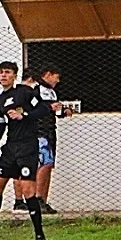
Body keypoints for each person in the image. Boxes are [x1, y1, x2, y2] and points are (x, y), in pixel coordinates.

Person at [0, 61, 51, 240]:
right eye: (0, 72)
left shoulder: (24, 92)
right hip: (10, 149)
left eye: (7, 72)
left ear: (15, 75)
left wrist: (23, 115)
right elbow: (1, 125)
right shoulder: (0, 99)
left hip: (27, 148)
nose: (3, 75)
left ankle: (40, 236)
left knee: (28, 191)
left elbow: (44, 108)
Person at [35, 65, 72, 214]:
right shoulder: (36, 90)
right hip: (40, 131)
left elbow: (54, 110)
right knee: (44, 164)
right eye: (57, 77)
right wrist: (49, 108)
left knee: (49, 165)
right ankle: (37, 198)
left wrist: (63, 111)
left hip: (51, 130)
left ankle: (43, 199)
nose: (58, 81)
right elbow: (34, 110)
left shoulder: (52, 92)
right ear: (48, 74)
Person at [12, 70, 37, 214]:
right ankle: (25, 200)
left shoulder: (13, 93)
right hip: (26, 137)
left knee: (17, 170)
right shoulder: (28, 93)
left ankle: (19, 200)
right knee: (26, 171)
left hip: (15, 137)